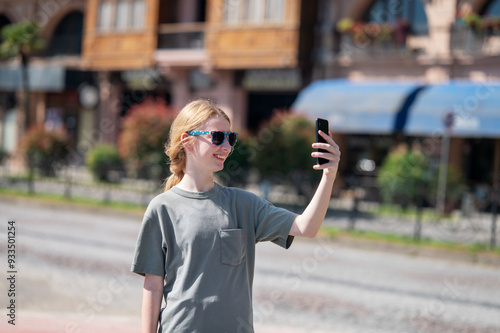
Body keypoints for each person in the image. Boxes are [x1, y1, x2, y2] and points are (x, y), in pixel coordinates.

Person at [131, 98, 340, 333]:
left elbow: (306, 227)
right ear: (187, 141)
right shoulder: (161, 208)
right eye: (217, 138)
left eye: (231, 138)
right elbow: (153, 286)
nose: (227, 147)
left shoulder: (244, 204)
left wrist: (328, 175)